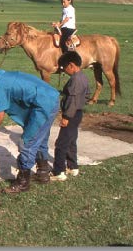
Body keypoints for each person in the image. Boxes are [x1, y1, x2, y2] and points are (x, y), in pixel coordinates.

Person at [0, 62, 60, 194]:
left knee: (27, 142)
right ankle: (43, 173)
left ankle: (23, 183)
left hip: (44, 104)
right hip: (50, 98)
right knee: (40, 139)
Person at [50, 51, 90, 182]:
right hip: (78, 113)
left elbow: (72, 100)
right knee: (71, 141)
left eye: (64, 68)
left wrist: (66, 117)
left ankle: (58, 171)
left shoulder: (75, 80)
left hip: (71, 114)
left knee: (61, 143)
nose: (64, 71)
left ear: (71, 65)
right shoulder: (83, 77)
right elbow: (87, 94)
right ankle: (73, 167)